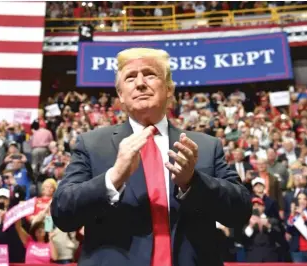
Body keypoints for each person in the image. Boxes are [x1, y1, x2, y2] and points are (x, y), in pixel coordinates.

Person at [51, 47, 251, 266]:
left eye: (149, 74)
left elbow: (240, 212)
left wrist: (193, 182)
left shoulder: (205, 146)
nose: (140, 83)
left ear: (168, 89)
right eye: (130, 78)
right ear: (121, 96)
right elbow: (63, 214)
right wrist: (113, 178)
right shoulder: (91, 144)